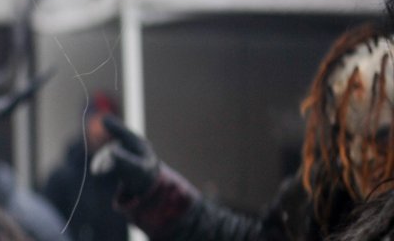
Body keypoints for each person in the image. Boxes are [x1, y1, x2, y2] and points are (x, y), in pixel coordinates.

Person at [92, 23, 394, 240]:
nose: (364, 154)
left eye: (382, 136)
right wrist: (155, 192)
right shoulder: (324, 195)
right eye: (350, 136)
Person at [42, 92, 130, 241]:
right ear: (87, 122)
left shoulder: (121, 180)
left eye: (109, 122)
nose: (102, 129)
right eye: (98, 119)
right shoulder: (61, 179)